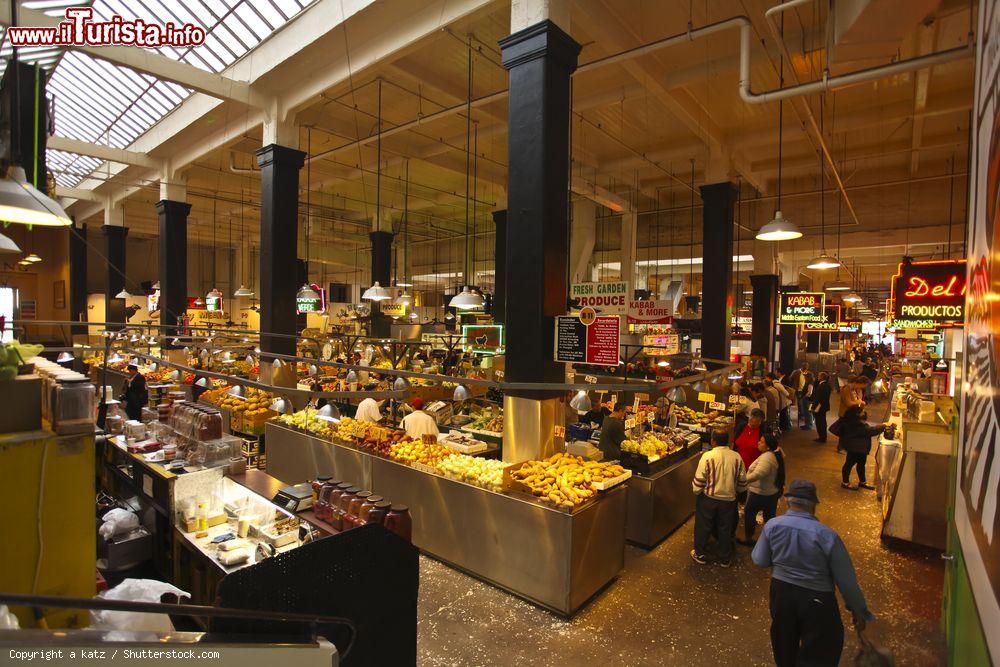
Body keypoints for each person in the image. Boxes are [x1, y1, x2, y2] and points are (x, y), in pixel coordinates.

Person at [752, 480, 875, 666]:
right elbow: (847, 581)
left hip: (781, 594)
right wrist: (858, 610)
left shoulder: (772, 526)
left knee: (784, 647)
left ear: (788, 502)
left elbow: (760, 560)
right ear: (813, 506)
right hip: (817, 601)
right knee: (819, 653)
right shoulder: (827, 536)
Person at [691, 428, 747, 567]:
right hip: (729, 500)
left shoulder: (707, 456)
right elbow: (742, 482)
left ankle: (700, 553)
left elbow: (699, 480)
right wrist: (737, 492)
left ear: (713, 441)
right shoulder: (736, 457)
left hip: (709, 498)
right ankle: (725, 557)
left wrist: (697, 491)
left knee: (703, 526)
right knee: (725, 528)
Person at [742, 430, 785, 545]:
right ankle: (770, 540)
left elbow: (759, 474)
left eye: (761, 442)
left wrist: (743, 480)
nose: (758, 443)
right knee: (769, 517)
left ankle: (750, 539)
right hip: (770, 492)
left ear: (768, 446)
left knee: (750, 513)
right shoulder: (770, 455)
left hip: (761, 493)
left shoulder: (767, 458)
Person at [831, 406, 885, 490]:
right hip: (855, 449)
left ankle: (862, 482)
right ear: (857, 414)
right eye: (862, 411)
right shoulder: (856, 424)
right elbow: (871, 431)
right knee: (849, 465)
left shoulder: (853, 422)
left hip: (860, 449)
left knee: (861, 465)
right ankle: (845, 483)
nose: (864, 412)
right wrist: (883, 426)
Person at [810, 372, 833, 443]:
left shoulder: (823, 386)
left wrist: (813, 406)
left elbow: (818, 397)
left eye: (819, 376)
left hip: (820, 407)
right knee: (822, 421)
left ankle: (822, 437)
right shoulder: (826, 385)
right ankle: (822, 436)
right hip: (824, 406)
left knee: (820, 422)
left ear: (822, 377)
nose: (818, 377)